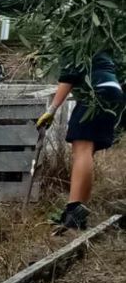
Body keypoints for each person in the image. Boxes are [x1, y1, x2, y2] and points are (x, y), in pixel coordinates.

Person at [37, 51, 121, 232]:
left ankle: (73, 210)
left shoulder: (75, 40)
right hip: (112, 93)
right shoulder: (97, 43)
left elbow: (69, 76)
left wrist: (51, 110)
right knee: (86, 150)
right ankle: (79, 210)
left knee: (81, 149)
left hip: (95, 94)